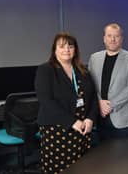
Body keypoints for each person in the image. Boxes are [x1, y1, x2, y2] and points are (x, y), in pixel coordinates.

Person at [35, 33, 99, 174]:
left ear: (75, 49)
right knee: (60, 169)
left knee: (82, 167)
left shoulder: (83, 70)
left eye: (70, 46)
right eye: (62, 46)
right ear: (55, 49)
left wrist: (90, 119)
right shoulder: (46, 70)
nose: (67, 50)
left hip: (83, 129)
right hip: (56, 130)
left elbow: (94, 97)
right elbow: (46, 101)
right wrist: (72, 122)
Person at [88, 23, 128, 141]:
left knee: (123, 156)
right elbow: (90, 85)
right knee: (103, 155)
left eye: (116, 36)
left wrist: (111, 105)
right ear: (104, 38)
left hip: (122, 117)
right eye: (109, 35)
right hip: (100, 116)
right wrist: (99, 103)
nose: (112, 39)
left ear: (121, 39)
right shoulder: (94, 58)